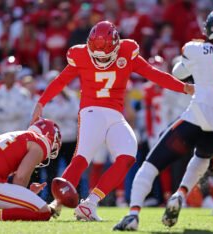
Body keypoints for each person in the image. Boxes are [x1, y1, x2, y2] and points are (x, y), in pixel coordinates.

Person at [113, 6, 213, 231]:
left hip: (196, 119)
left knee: (151, 165)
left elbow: (178, 73)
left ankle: (133, 213)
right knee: (202, 156)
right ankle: (181, 193)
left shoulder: (195, 49)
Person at [30, 20, 194, 221]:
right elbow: (61, 80)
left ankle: (90, 203)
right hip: (91, 111)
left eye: (106, 56)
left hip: (116, 115)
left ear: (116, 46)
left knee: (127, 155)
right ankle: (56, 203)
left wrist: (183, 87)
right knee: (83, 156)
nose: (101, 61)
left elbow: (154, 74)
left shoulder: (127, 51)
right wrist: (41, 102)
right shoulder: (80, 54)